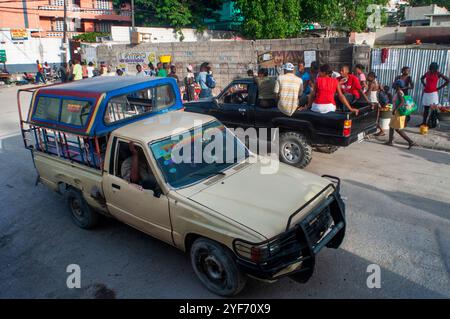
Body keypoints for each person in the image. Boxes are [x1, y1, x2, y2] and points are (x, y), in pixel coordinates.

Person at [386, 80, 417, 149]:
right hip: (396, 112)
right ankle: (390, 141)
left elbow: (402, 102)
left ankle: (410, 142)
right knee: (391, 126)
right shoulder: (398, 92)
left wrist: (395, 109)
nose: (393, 85)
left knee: (398, 129)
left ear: (398, 86)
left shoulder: (399, 92)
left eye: (395, 85)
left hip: (398, 113)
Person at [419, 62, 450, 126]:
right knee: (426, 109)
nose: (431, 68)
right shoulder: (427, 73)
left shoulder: (438, 74)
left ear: (436, 68)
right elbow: (421, 78)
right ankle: (424, 123)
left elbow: (447, 80)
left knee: (433, 109)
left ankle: (432, 123)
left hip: (433, 94)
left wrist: (438, 88)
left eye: (433, 67)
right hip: (426, 93)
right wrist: (425, 85)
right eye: (431, 67)